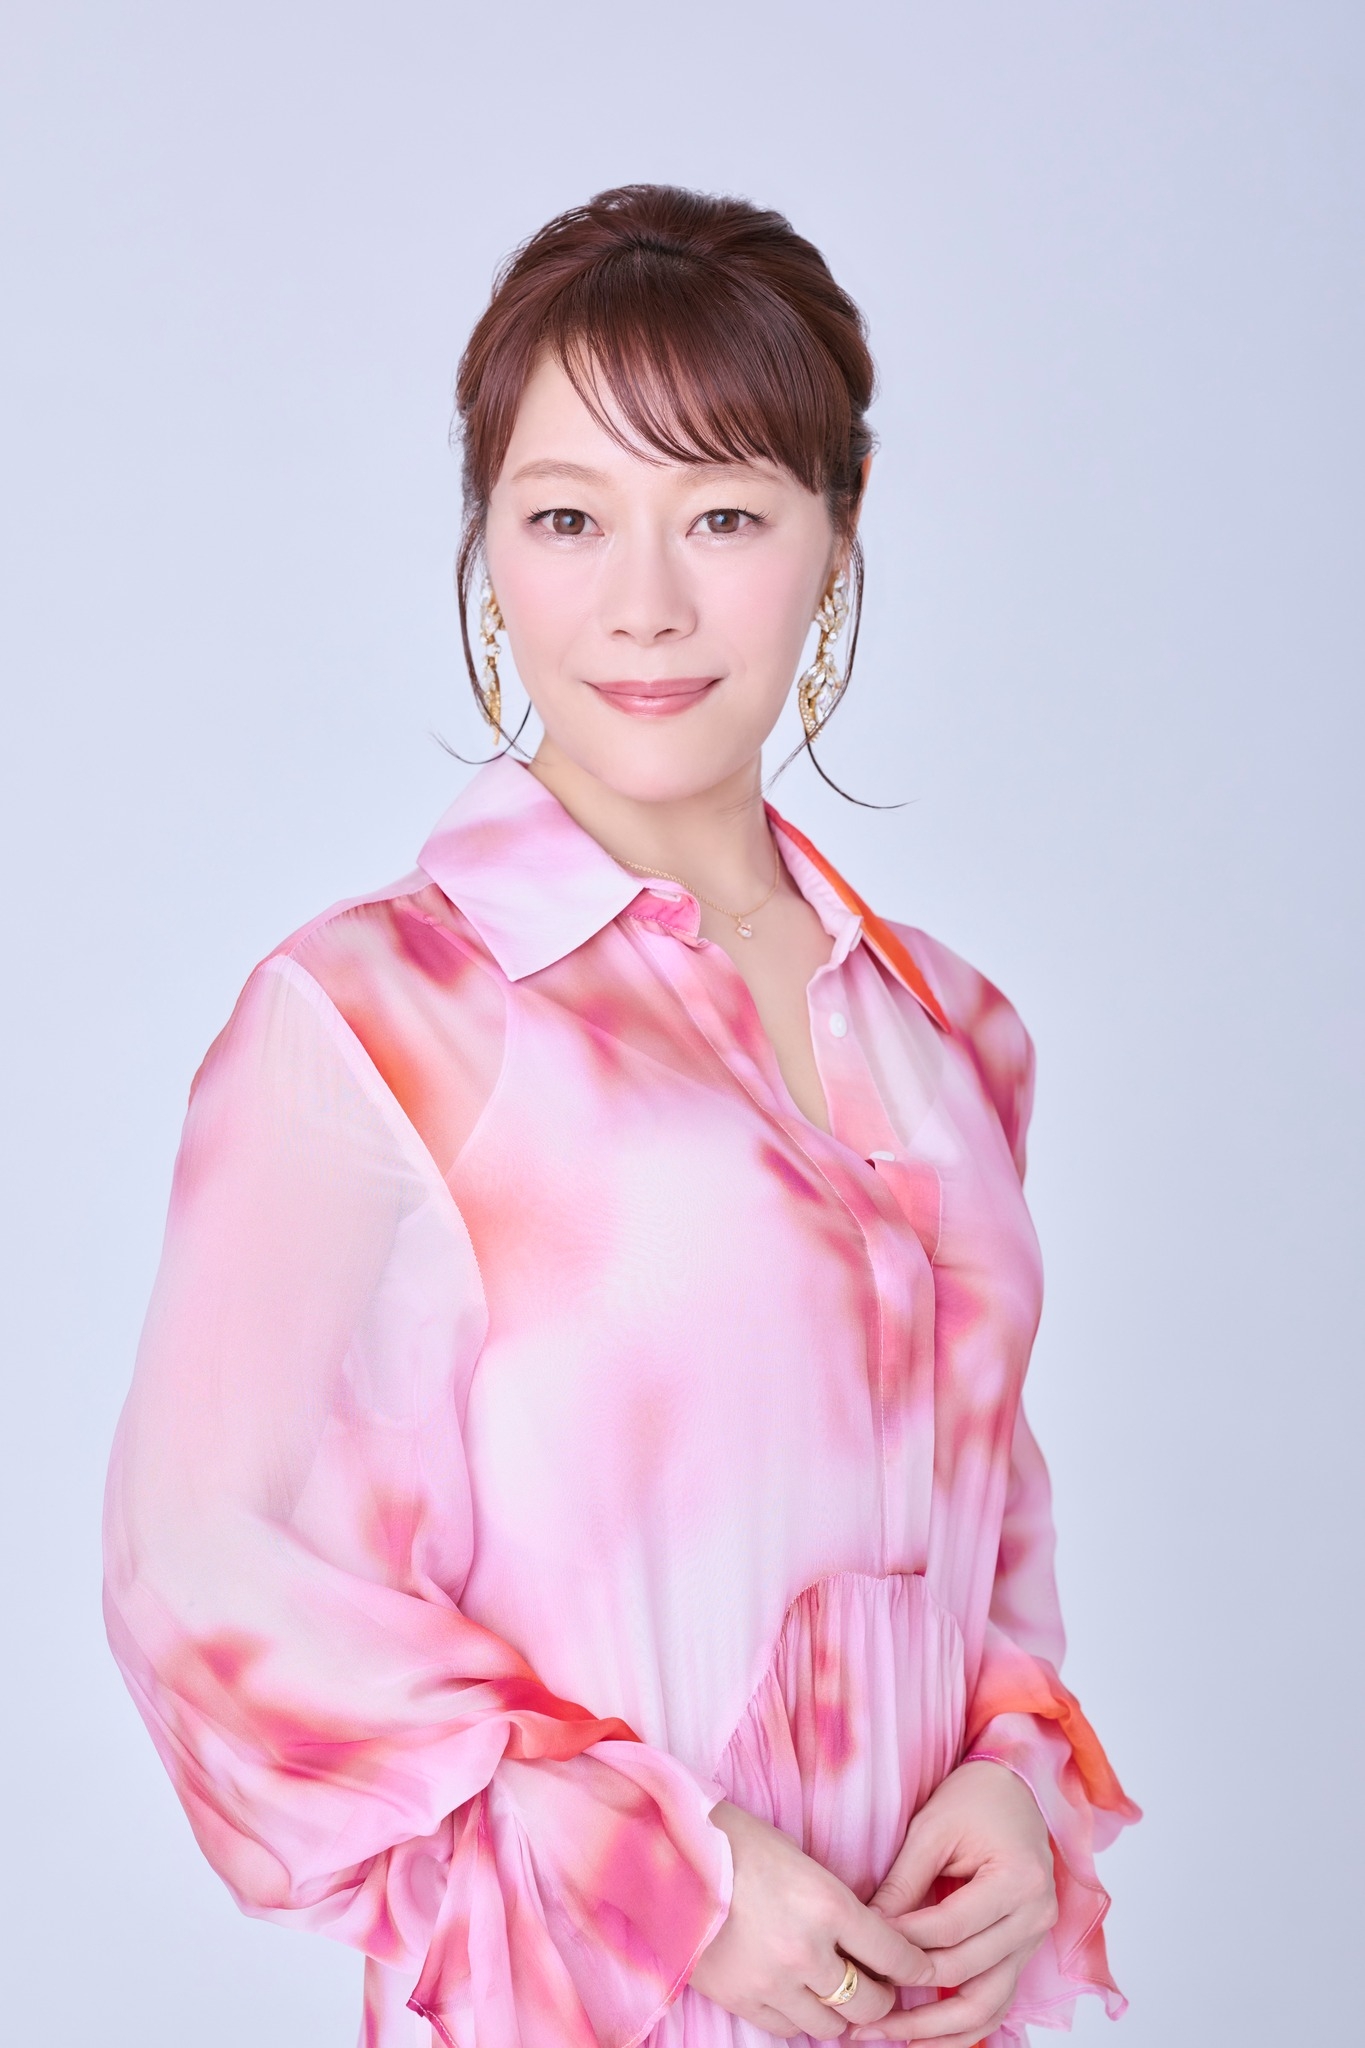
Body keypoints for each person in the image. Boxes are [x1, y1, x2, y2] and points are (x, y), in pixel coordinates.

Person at [103, 184, 1137, 2048]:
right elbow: (200, 1574)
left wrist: (1011, 1770)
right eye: (567, 517)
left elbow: (984, 1523)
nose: (642, 604)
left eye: (722, 515)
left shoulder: (953, 1034)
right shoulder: (373, 1016)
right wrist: (668, 1875)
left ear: (837, 530)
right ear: (488, 542)